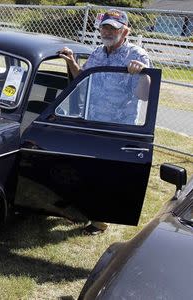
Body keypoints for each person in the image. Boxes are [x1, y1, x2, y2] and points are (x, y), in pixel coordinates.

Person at [58, 9, 152, 235]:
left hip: (118, 126)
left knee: (106, 173)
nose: (108, 32)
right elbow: (84, 78)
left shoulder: (137, 55)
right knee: (85, 166)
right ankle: (82, 209)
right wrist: (71, 61)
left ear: (125, 31)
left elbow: (144, 95)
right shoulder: (98, 52)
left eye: (114, 28)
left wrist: (141, 75)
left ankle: (100, 221)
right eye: (105, 27)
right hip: (92, 120)